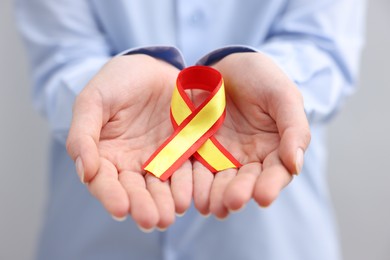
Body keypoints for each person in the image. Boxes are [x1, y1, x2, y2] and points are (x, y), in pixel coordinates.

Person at [15, 0, 365, 259]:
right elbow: (61, 57)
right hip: (93, 240)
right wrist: (96, 97)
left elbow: (325, 49)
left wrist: (280, 85)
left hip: (274, 240)